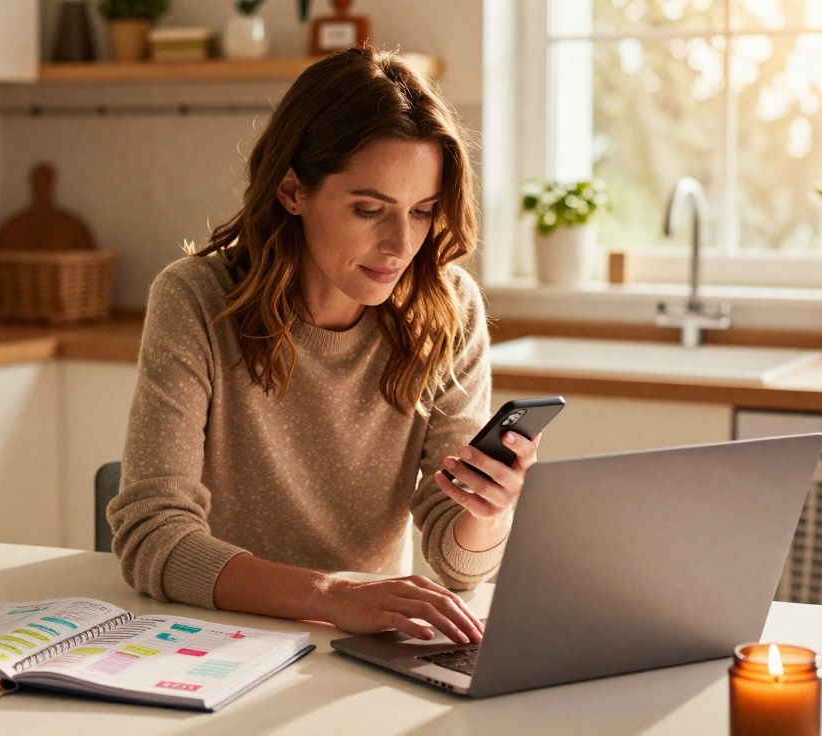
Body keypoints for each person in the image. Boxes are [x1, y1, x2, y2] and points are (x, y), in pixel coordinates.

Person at [108, 45, 543, 646]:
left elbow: (460, 565)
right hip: (216, 636)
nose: (399, 244)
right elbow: (154, 538)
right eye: (369, 209)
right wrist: (334, 595)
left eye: (421, 212)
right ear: (292, 190)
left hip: (362, 642)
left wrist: (488, 510)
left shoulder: (448, 309)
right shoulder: (196, 300)